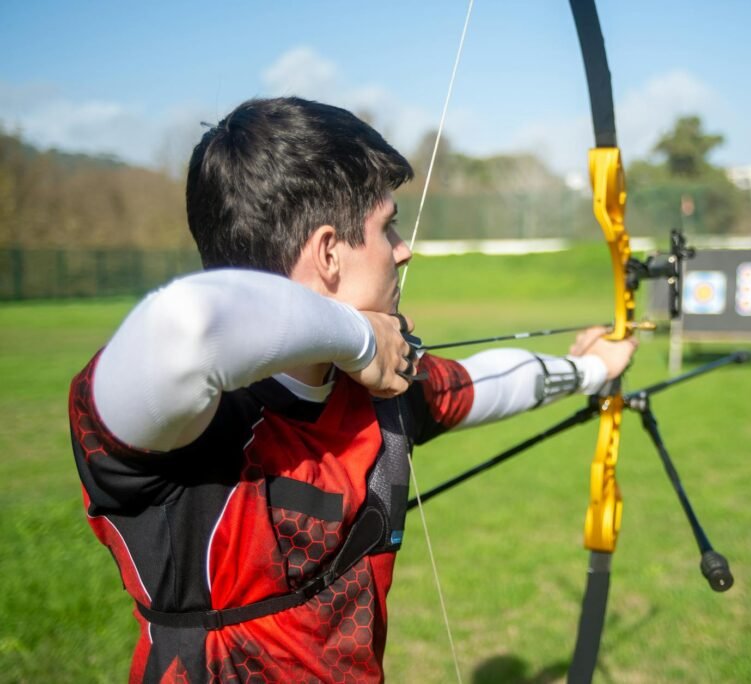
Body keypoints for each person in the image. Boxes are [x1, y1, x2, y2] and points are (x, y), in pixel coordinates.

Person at [68, 96, 637, 683]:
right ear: (328, 253)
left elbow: (489, 384)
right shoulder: (185, 423)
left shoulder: (379, 390)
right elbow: (185, 325)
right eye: (386, 225)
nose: (404, 248)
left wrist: (593, 370)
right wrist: (358, 337)